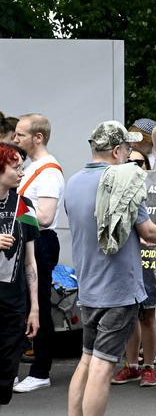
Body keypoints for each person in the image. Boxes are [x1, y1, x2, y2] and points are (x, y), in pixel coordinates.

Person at [61, 121, 156, 416]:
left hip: (88, 288)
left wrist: (135, 238)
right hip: (117, 289)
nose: (130, 153)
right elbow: (146, 229)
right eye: (126, 149)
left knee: (86, 362)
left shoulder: (73, 182)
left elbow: (98, 227)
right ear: (117, 151)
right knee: (102, 365)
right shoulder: (124, 178)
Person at [10, 113, 63, 394]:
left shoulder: (49, 171)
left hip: (41, 241)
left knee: (37, 303)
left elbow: (45, 216)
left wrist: (13, 214)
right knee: (21, 304)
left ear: (38, 137)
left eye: (20, 134)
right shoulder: (31, 167)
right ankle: (14, 369)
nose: (15, 139)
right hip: (28, 240)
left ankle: (41, 370)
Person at [0, 143, 40, 416]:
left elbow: (30, 261)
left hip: (12, 302)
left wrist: (35, 307)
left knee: (5, 374)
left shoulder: (24, 206)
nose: (21, 172)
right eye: (15, 166)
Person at [111, 149, 156, 388]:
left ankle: (149, 367)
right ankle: (131, 365)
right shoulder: (118, 185)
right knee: (130, 314)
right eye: (129, 161)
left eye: (139, 162)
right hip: (127, 258)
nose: (133, 165)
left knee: (148, 313)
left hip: (150, 257)